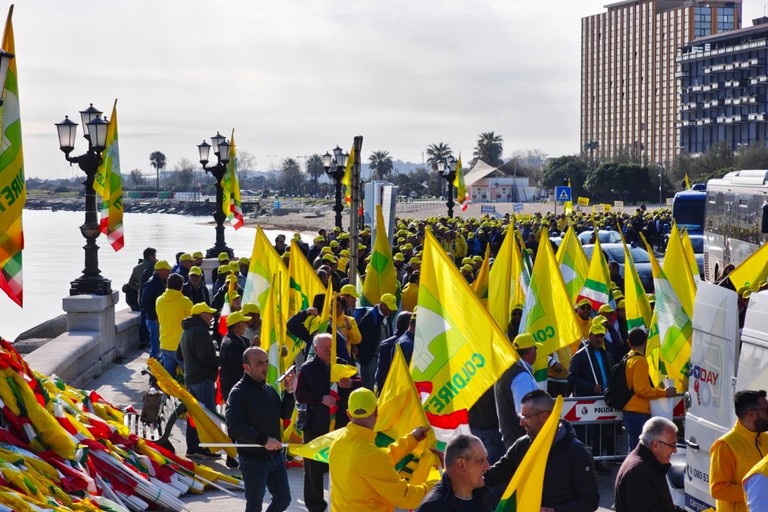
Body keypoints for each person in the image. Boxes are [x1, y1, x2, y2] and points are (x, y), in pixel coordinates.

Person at [484, 390, 600, 512]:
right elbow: (496, 474)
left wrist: (556, 510)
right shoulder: (521, 445)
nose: (521, 422)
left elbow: (590, 501)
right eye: (521, 416)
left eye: (526, 417)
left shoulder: (577, 452)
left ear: (544, 416)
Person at [328, 388, 436, 511]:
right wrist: (439, 484)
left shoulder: (337, 443)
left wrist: (411, 439)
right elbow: (406, 497)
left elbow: (380, 460)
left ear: (348, 414)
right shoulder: (369, 454)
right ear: (376, 412)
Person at [295, 333, 361, 512]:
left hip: (340, 423)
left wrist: (350, 384)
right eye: (324, 347)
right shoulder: (307, 368)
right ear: (315, 349)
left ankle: (343, 503)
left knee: (342, 466)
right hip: (315, 424)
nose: (328, 350)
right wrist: (320, 398)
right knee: (313, 470)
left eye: (330, 346)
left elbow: (359, 382)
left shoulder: (341, 362)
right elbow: (299, 394)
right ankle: (315, 506)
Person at [226, 347, 295, 512]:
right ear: (246, 367)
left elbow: (284, 414)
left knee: (283, 500)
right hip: (252, 460)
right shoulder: (238, 393)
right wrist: (263, 440)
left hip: (276, 457)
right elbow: (234, 427)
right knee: (254, 506)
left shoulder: (269, 389)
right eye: (259, 364)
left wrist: (289, 392)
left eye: (266, 362)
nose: (265, 367)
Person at [710, 390, 768, 512]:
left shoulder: (765, 439)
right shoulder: (725, 445)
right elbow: (717, 489)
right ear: (750, 414)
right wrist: (756, 490)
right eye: (766, 411)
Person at [568, 321, 613, 474]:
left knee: (602, 431)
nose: (599, 339)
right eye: (597, 336)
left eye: (602, 336)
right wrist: (591, 386)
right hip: (586, 402)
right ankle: (581, 462)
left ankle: (598, 461)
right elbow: (572, 378)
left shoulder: (605, 354)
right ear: (590, 336)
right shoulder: (581, 356)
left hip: (602, 399)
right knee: (584, 434)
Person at [176, 302, 220, 459]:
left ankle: (193, 447)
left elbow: (179, 355)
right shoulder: (201, 331)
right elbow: (205, 356)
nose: (212, 317)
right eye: (209, 314)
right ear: (201, 315)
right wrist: (221, 361)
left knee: (194, 416)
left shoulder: (186, 331)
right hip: (203, 379)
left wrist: (189, 366)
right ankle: (206, 448)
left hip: (191, 378)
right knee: (208, 416)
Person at [623, 327, 676, 451]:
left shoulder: (628, 357)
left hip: (630, 411)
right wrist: (664, 392)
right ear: (645, 341)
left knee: (634, 450)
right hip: (638, 412)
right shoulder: (640, 361)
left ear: (629, 343)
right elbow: (642, 390)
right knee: (640, 451)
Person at [614, 416, 682, 512]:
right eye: (672, 445)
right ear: (655, 445)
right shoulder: (639, 472)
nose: (675, 450)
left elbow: (663, 505)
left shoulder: (648, 463)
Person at [416, 434, 492, 512]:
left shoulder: (480, 500)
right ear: (461, 464)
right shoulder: (434, 508)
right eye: (480, 460)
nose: (487, 466)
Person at [494, 333, 540, 449]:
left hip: (513, 438)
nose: (537, 352)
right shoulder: (521, 376)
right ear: (530, 351)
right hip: (522, 440)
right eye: (536, 349)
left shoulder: (508, 371)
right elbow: (525, 413)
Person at [353, 293, 397, 390]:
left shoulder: (387, 315)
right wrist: (364, 357)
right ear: (382, 305)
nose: (391, 311)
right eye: (389, 308)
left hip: (382, 356)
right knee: (368, 387)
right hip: (370, 358)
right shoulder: (369, 317)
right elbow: (360, 336)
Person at [155, 273, 193, 378]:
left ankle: (166, 395)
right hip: (181, 347)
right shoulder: (185, 301)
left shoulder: (159, 301)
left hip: (165, 344)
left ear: (167, 285)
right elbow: (193, 321)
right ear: (181, 286)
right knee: (188, 377)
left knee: (168, 380)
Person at [219, 311, 254, 402]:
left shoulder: (243, 340)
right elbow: (241, 362)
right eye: (243, 323)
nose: (246, 326)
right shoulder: (230, 344)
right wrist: (253, 348)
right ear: (238, 325)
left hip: (243, 387)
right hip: (233, 387)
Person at [141, 260, 172, 359]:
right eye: (167, 270)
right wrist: (154, 317)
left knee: (159, 347)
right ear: (160, 270)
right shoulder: (151, 283)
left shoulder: (159, 282)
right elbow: (144, 303)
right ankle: (152, 368)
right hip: (154, 320)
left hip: (158, 319)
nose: (169, 273)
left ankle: (156, 368)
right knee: (156, 348)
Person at [375, 311, 412, 392]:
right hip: (403, 388)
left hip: (387, 387)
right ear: (409, 325)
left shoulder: (385, 344)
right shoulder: (409, 343)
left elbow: (381, 371)